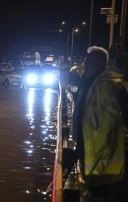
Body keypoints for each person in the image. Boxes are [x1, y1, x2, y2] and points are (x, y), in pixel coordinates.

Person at [72, 46, 127, 201]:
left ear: (97, 64)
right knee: (94, 189)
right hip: (89, 150)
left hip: (103, 154)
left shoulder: (110, 85)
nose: (84, 64)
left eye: (87, 62)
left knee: (101, 192)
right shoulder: (86, 82)